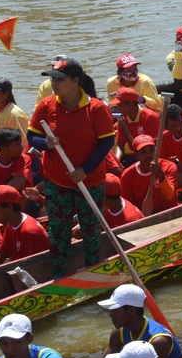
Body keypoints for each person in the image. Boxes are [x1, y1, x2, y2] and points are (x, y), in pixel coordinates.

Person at [26, 59, 116, 278]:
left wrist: (85, 170)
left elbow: (106, 142)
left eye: (60, 79)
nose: (54, 83)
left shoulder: (96, 108)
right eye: (53, 79)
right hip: (57, 182)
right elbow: (31, 136)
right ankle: (59, 275)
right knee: (58, 232)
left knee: (91, 230)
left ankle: (94, 271)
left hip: (90, 181)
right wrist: (45, 143)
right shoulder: (46, 105)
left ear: (75, 82)